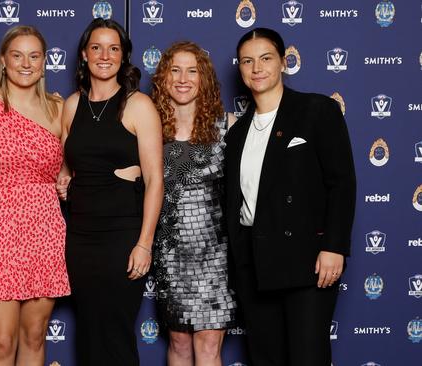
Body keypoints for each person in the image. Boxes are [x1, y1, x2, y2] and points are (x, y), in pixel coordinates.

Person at [224, 27, 356, 366]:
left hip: (307, 261)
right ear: (239, 68)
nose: (257, 68)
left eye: (266, 58)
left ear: (283, 62)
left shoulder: (317, 110)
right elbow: (237, 199)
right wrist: (239, 261)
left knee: (307, 357)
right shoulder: (237, 132)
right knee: (266, 358)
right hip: (255, 264)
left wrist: (334, 246)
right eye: (248, 61)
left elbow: (342, 183)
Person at [0, 25, 70, 366]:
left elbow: (65, 165)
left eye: (34, 56)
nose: (25, 64)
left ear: (44, 63)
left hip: (44, 228)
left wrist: (65, 176)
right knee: (2, 342)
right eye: (17, 55)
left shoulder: (57, 109)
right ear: (3, 61)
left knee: (35, 336)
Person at [57, 18, 163, 365]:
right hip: (81, 236)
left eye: (114, 48)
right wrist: (63, 178)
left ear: (124, 57)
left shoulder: (138, 106)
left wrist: (144, 243)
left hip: (122, 234)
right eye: (97, 47)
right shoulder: (71, 105)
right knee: (88, 330)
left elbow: (154, 180)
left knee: (116, 332)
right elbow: (67, 163)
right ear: (84, 55)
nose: (105, 55)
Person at [150, 41, 237, 366]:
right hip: (171, 255)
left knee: (209, 346)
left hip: (216, 255)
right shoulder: (151, 129)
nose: (183, 78)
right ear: (163, 78)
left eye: (192, 71)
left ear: (204, 79)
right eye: (175, 70)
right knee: (179, 343)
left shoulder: (228, 126)